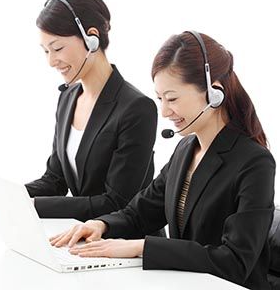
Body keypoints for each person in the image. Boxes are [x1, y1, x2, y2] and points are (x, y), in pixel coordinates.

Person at [50, 31, 275, 290]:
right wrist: (100, 225)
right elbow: (140, 213)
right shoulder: (185, 149)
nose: (165, 111)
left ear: (214, 93)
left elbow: (234, 261)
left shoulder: (255, 162)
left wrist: (141, 247)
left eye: (173, 98)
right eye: (160, 98)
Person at [0, 0, 163, 232]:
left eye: (57, 48)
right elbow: (55, 180)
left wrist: (28, 206)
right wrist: (7, 196)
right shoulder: (68, 98)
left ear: (92, 38)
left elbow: (115, 201)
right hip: (80, 236)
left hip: (123, 241)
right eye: (45, 51)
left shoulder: (136, 108)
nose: (51, 61)